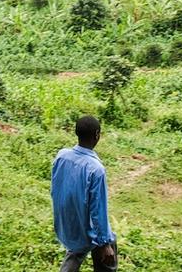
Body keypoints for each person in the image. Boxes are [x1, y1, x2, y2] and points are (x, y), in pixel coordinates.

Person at [50, 116, 118, 272]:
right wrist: (105, 244)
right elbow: (97, 211)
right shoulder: (96, 169)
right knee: (108, 246)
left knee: (75, 252)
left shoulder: (62, 156)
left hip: (66, 224)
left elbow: (56, 189)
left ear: (76, 133)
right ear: (97, 135)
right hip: (84, 228)